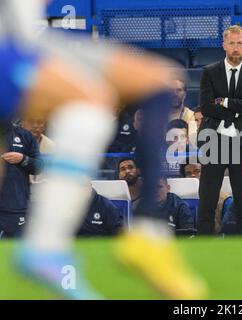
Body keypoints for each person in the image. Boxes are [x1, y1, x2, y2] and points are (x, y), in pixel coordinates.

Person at [1, 0, 205, 300]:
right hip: (14, 41)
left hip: (21, 37)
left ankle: (144, 235)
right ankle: (48, 248)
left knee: (151, 84)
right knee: (95, 101)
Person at [197, 24, 242, 235]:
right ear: (224, 45)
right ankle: (204, 248)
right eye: (232, 43)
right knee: (207, 199)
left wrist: (224, 102)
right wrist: (237, 112)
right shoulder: (209, 72)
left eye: (240, 43)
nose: (236, 47)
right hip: (213, 140)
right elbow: (206, 107)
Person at [0, 121, 42, 238]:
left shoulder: (25, 136)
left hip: (15, 207)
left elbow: (39, 167)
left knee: (12, 251)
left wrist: (23, 159)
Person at [169, 79, 197, 146]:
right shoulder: (158, 115)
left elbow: (192, 142)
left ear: (185, 94)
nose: (175, 94)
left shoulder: (192, 116)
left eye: (179, 90)